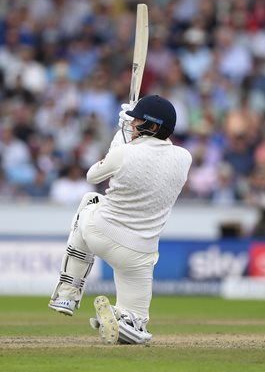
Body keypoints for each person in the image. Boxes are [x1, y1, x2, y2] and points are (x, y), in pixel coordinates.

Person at [48, 95, 192, 345]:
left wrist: (119, 138)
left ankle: (68, 294)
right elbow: (149, 159)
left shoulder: (123, 152)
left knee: (90, 199)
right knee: (138, 318)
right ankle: (128, 322)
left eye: (137, 121)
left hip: (101, 233)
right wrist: (129, 138)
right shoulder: (184, 158)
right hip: (141, 254)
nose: (132, 124)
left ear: (153, 126)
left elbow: (93, 174)